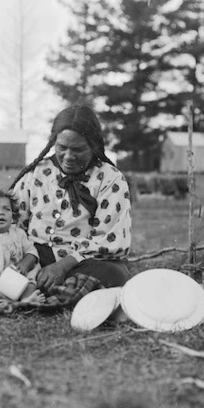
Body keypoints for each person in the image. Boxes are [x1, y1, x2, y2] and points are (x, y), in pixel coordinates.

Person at [10, 104, 132, 290]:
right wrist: (25, 257)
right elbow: (14, 221)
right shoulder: (36, 172)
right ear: (53, 143)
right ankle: (55, 290)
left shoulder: (110, 179)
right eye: (62, 147)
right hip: (33, 254)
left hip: (80, 261)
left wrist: (62, 266)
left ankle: (35, 289)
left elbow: (110, 238)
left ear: (94, 146)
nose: (68, 156)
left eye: (77, 149)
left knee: (116, 274)